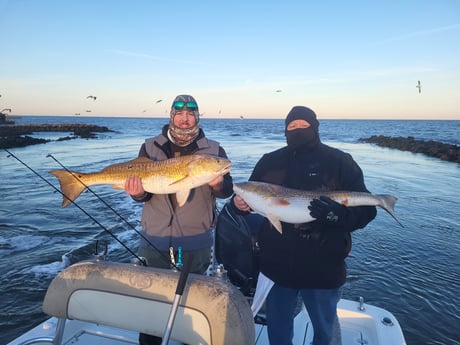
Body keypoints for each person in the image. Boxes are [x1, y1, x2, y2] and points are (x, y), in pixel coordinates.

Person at [232, 106, 377, 345]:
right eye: (292, 126)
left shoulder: (340, 161)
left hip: (323, 267)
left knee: (325, 332)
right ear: (285, 130)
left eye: (303, 125)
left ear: (315, 127)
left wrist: (336, 216)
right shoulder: (269, 161)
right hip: (276, 267)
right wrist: (239, 205)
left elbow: (367, 210)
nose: (297, 130)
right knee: (277, 331)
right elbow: (248, 196)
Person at [124, 94, 233, 345]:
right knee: (151, 304)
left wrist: (218, 184)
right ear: (172, 116)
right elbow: (143, 192)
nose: (185, 119)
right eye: (180, 114)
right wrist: (137, 193)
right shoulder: (150, 146)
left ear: (197, 117)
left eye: (190, 114)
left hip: (196, 240)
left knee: (192, 305)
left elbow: (227, 190)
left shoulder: (214, 150)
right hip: (154, 239)